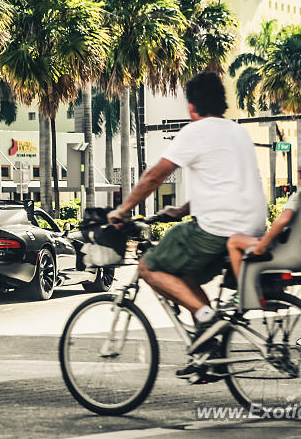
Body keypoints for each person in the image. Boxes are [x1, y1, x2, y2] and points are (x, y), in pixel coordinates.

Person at [107, 72, 267, 356]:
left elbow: (154, 176)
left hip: (217, 230)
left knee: (147, 267)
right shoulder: (238, 131)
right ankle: (209, 350)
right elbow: (226, 185)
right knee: (185, 276)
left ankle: (207, 317)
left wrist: (123, 210)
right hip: (252, 229)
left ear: (192, 106)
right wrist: (181, 210)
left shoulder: (195, 131)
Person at [227, 150, 301, 279]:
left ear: (299, 174)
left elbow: (284, 220)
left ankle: (242, 294)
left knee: (233, 241)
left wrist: (261, 247)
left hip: (285, 251)